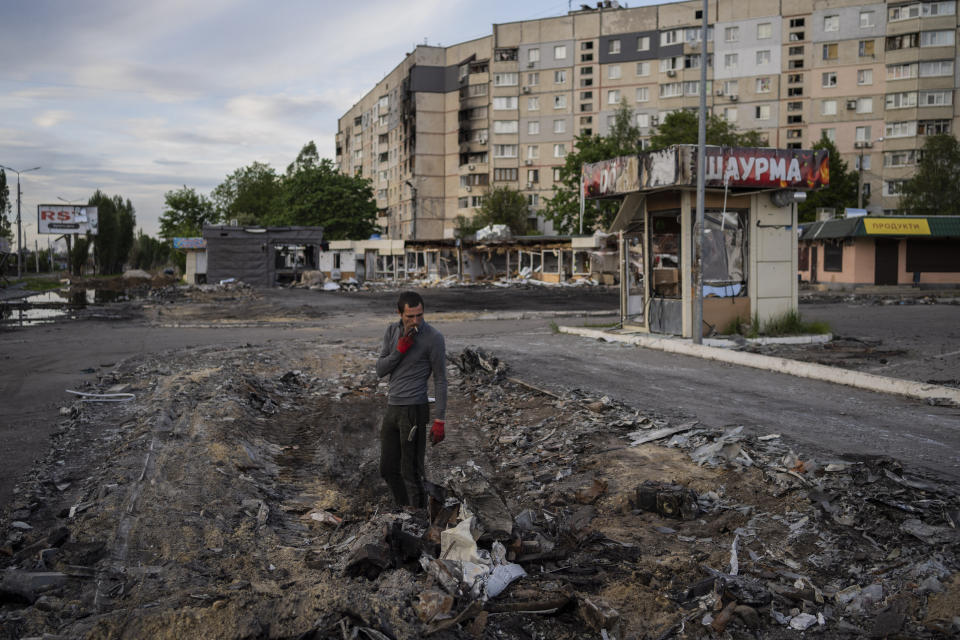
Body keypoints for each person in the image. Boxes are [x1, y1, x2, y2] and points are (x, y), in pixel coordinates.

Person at [375, 291, 447, 508]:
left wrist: (440, 420)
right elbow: (380, 370)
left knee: (412, 472)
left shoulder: (433, 338)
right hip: (393, 408)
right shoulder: (392, 331)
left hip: (414, 409)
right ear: (399, 313)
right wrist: (399, 351)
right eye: (410, 316)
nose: (416, 321)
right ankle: (404, 508)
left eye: (419, 315)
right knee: (387, 469)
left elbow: (441, 379)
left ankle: (419, 517)